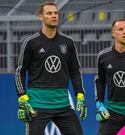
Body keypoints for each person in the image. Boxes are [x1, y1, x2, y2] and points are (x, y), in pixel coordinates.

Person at [15, 2, 87, 135]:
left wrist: (80, 95)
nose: (53, 16)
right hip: (37, 104)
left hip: (63, 105)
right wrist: (22, 98)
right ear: (41, 17)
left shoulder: (68, 42)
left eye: (55, 13)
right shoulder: (31, 42)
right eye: (49, 13)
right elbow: (20, 71)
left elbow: (75, 71)